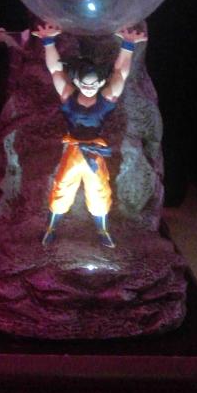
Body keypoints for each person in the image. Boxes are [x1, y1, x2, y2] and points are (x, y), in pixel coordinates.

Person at [32, 19, 147, 247]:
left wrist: (128, 45)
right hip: (73, 149)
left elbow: (120, 74)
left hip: (94, 151)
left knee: (99, 190)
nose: (88, 88)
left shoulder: (106, 99)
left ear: (101, 82)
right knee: (62, 187)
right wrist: (48, 42)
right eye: (84, 85)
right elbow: (55, 70)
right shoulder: (68, 95)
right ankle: (51, 227)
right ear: (76, 81)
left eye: (93, 85)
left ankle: (102, 230)